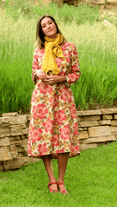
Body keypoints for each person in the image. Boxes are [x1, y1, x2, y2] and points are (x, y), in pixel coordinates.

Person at [28, 14, 81, 194]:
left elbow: (76, 73)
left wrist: (62, 78)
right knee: (44, 137)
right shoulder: (38, 51)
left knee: (63, 138)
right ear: (41, 30)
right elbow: (33, 74)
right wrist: (38, 73)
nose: (48, 26)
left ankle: (61, 180)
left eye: (50, 22)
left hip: (63, 98)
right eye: (44, 25)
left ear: (55, 24)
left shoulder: (69, 48)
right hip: (42, 99)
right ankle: (51, 179)